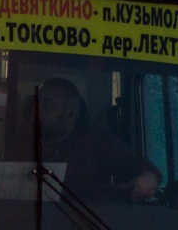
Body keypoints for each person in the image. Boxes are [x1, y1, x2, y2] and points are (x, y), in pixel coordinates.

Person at [23, 76, 160, 202]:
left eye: (46, 105)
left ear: (71, 114)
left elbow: (133, 165)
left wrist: (148, 177)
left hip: (88, 224)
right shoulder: (23, 141)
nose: (37, 110)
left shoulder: (98, 141)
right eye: (36, 104)